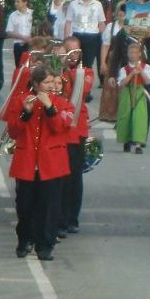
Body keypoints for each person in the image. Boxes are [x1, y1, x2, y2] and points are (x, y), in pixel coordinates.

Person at [7, 65, 74, 261]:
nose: (50, 86)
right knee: (24, 205)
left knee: (49, 206)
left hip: (52, 165)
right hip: (27, 162)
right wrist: (26, 113)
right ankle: (25, 239)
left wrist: (50, 108)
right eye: (46, 83)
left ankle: (45, 245)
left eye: (52, 82)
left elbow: (61, 127)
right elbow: (13, 131)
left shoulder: (62, 104)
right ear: (35, 84)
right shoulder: (20, 101)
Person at [59, 37, 94, 234]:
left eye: (75, 52)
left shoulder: (85, 72)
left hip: (77, 130)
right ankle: (60, 219)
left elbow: (82, 92)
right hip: (60, 131)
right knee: (60, 177)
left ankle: (72, 218)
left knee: (74, 177)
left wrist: (68, 72)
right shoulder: (57, 73)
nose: (72, 56)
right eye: (68, 51)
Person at [66, 0, 106, 95]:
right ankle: (72, 88)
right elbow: (68, 22)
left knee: (87, 65)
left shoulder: (97, 5)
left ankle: (85, 91)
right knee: (74, 62)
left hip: (92, 37)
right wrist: (67, 39)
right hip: (77, 36)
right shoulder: (74, 5)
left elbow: (101, 23)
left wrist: (104, 40)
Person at [116, 42, 150, 153]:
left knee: (139, 117)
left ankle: (138, 144)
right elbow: (122, 83)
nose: (133, 55)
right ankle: (126, 141)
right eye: (130, 52)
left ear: (140, 54)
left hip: (139, 92)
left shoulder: (146, 67)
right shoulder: (124, 69)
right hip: (127, 92)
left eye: (135, 53)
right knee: (126, 116)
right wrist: (132, 73)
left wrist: (140, 71)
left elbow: (148, 81)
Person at [6, 0, 33, 68]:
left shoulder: (32, 14)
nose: (16, 4)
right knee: (19, 67)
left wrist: (31, 38)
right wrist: (23, 38)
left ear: (25, 2)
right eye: (15, 2)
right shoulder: (12, 15)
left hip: (31, 45)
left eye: (18, 1)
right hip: (18, 45)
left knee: (31, 66)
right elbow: (9, 32)